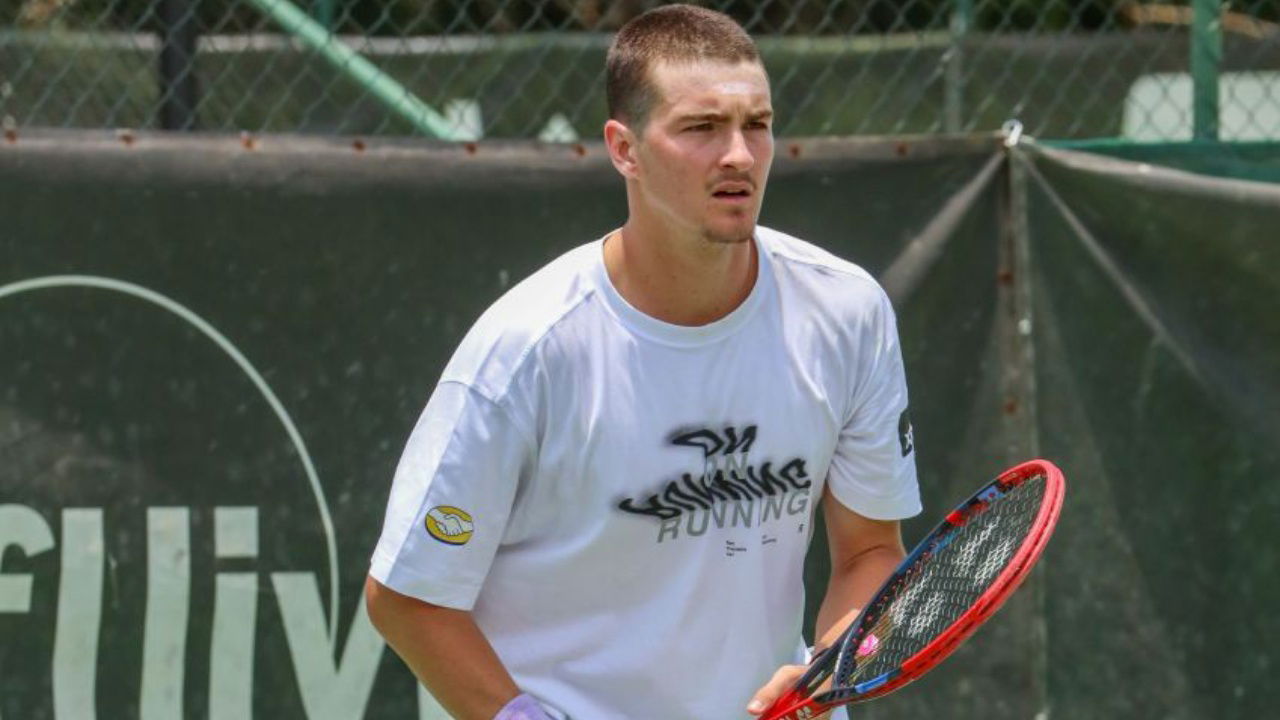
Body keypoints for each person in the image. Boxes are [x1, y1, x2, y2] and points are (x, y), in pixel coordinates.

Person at [365, 5, 920, 719]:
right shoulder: (526, 351)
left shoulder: (849, 312)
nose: (740, 157)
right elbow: (407, 596)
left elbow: (870, 551)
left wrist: (831, 673)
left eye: (757, 124)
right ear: (624, 149)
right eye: (700, 128)